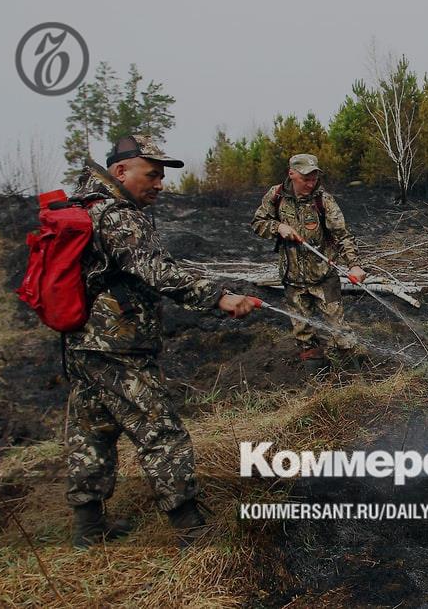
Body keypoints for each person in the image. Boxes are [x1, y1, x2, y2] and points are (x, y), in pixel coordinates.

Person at [65, 135, 256, 548]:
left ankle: (88, 527)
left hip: (82, 342)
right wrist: (219, 297)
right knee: (161, 431)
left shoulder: (83, 204)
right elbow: (158, 271)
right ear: (121, 170)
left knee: (92, 429)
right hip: (118, 346)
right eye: (152, 175)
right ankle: (192, 530)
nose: (160, 184)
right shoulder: (118, 215)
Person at [251, 153, 367, 369]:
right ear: (291, 174)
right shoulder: (276, 196)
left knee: (340, 332)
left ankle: (353, 376)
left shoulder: (324, 200)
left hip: (324, 278)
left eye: (314, 178)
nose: (311, 183)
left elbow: (343, 236)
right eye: (306, 179)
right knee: (304, 334)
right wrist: (278, 227)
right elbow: (258, 223)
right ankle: (316, 377)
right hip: (292, 279)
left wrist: (355, 265)